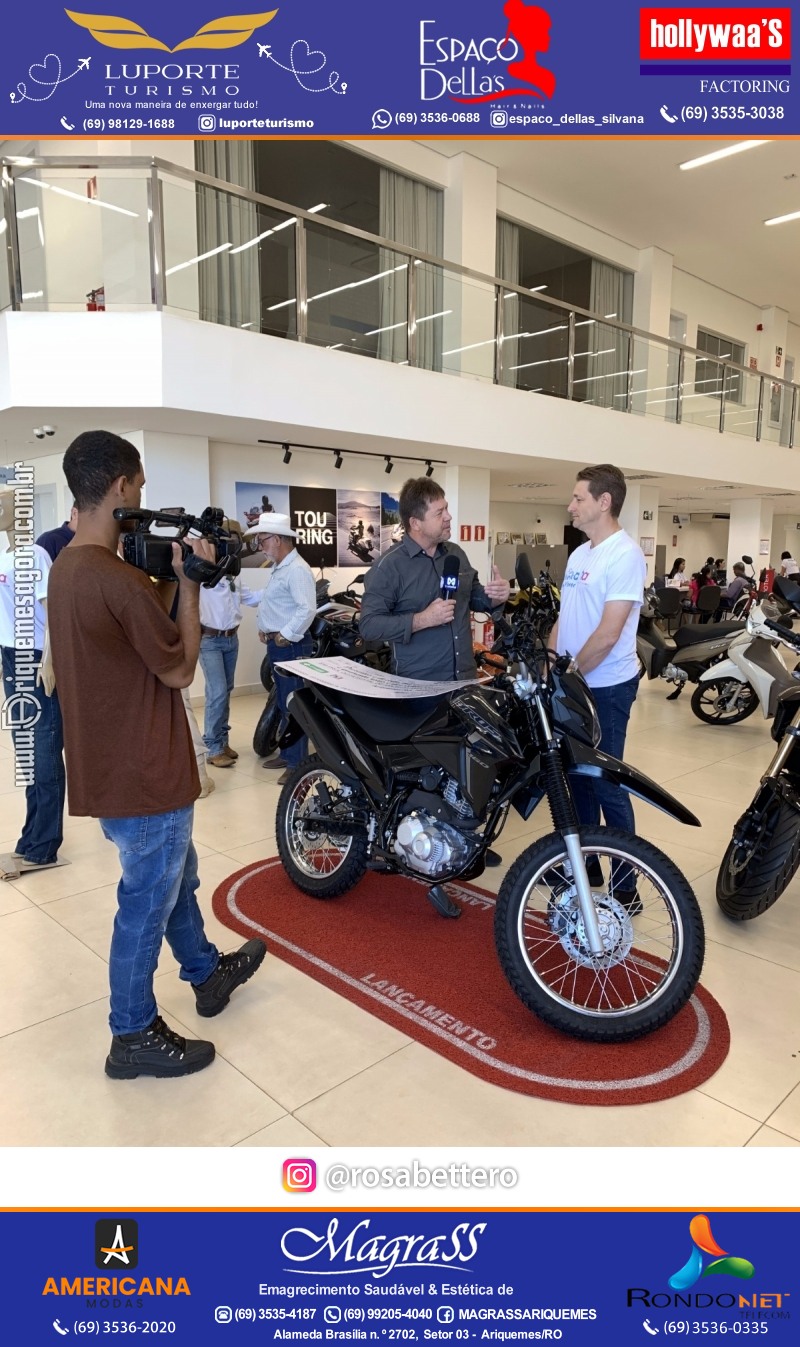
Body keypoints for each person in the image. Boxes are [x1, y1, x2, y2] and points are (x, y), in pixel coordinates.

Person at [47, 431, 266, 1080]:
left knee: (176, 881)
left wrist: (169, 580)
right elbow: (177, 665)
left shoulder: (67, 568)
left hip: (112, 769)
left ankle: (203, 970)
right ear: (119, 486)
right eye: (138, 487)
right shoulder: (118, 581)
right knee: (145, 902)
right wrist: (192, 586)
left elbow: (128, 644)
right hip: (146, 775)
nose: (141, 499)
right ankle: (132, 1031)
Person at [549, 464, 646, 908]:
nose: (570, 506)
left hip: (605, 689)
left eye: (578, 498)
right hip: (573, 684)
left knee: (608, 783)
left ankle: (627, 886)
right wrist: (552, 665)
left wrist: (569, 675)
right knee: (578, 781)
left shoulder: (623, 554)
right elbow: (565, 620)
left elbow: (609, 633)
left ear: (603, 502)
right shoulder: (579, 554)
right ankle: (584, 865)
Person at [359, 476, 510, 682]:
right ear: (415, 523)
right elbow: (369, 626)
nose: (449, 516)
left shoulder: (455, 554)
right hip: (419, 687)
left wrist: (495, 597)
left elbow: (474, 596)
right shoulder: (388, 567)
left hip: (464, 679)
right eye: (440, 513)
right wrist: (422, 619)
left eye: (446, 509)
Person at [0, 486, 66, 868]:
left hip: (35, 660)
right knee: (28, 755)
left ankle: (44, 845)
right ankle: (31, 837)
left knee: (43, 755)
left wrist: (50, 660)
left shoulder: (34, 554)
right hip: (12, 660)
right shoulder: (6, 555)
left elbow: (53, 610)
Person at [245, 512, 316, 784]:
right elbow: (278, 604)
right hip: (279, 646)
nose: (260, 546)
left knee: (294, 705)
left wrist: (285, 634)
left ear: (277, 539)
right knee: (283, 703)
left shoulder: (297, 569)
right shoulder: (281, 567)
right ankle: (288, 755)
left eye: (262, 540)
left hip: (291, 648)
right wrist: (267, 629)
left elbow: (306, 608)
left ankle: (297, 763)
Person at [198, 570, 259, 768]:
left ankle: (222, 742)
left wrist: (278, 588)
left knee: (225, 691)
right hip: (209, 640)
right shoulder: (202, 574)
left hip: (231, 639)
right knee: (217, 693)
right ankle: (212, 747)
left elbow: (250, 598)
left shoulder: (234, 575)